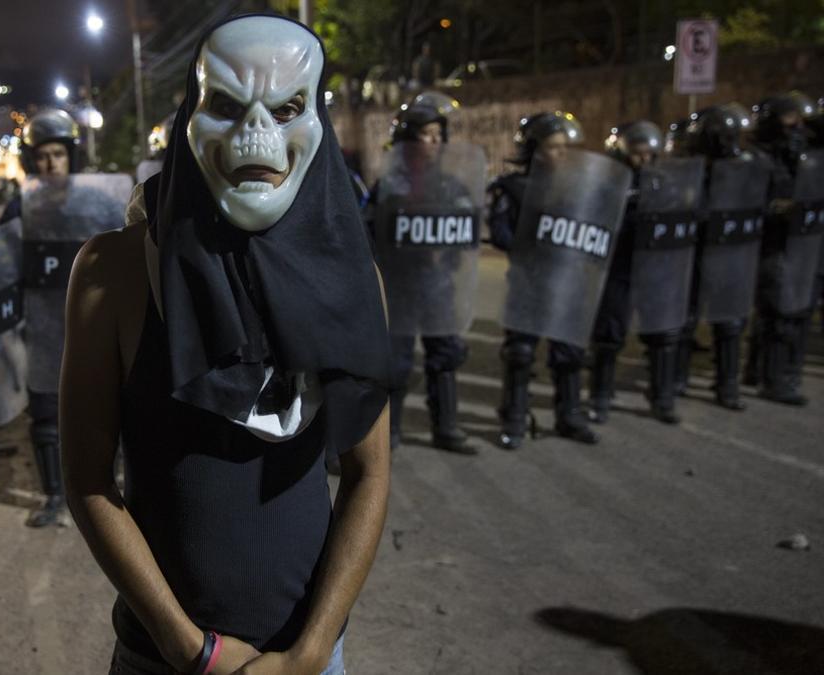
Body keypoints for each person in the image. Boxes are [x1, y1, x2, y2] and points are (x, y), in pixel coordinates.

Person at [63, 14, 390, 674]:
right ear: (190, 115)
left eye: (288, 107)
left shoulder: (355, 279)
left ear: (317, 122)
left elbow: (369, 472)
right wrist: (194, 650)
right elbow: (88, 481)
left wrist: (312, 650)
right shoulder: (115, 273)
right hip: (166, 657)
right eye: (226, 106)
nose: (255, 135)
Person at [17, 109, 126, 527]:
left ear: (71, 157)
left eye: (58, 155)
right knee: (45, 418)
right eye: (42, 156)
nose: (50, 164)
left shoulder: (99, 202)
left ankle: (107, 488)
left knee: (104, 411)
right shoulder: (21, 208)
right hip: (43, 327)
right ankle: (53, 496)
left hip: (94, 325)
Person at [373, 91, 478, 454]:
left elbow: (467, 232)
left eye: (438, 134)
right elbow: (372, 233)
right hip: (399, 284)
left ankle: (445, 426)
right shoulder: (388, 186)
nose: (434, 141)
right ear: (406, 139)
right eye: (425, 134)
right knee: (397, 359)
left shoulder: (451, 186)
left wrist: (447, 258)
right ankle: (391, 430)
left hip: (437, 285)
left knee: (445, 353)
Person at [487, 112, 600, 448]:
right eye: (553, 147)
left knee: (569, 352)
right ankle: (515, 419)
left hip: (568, 284)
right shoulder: (513, 189)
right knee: (520, 353)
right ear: (534, 150)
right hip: (528, 283)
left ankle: (569, 416)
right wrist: (533, 246)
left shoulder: (579, 189)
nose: (562, 154)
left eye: (565, 147)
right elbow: (500, 233)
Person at [587, 121, 686, 425]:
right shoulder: (606, 182)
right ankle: (600, 397)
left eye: (649, 155)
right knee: (608, 333)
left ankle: (662, 398)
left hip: (655, 266)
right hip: (619, 266)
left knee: (662, 331)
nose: (644, 161)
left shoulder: (664, 182)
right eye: (637, 155)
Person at [677, 104, 766, 410]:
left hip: (731, 252)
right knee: (685, 318)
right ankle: (676, 377)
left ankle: (727, 384)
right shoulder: (688, 169)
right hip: (696, 250)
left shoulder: (748, 167)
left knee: (729, 321)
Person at [746, 92, 818, 406]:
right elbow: (744, 202)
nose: (797, 128)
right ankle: (775, 380)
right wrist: (778, 208)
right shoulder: (758, 159)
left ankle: (760, 371)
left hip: (802, 244)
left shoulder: (806, 157)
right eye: (790, 121)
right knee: (779, 312)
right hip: (772, 244)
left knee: (788, 310)